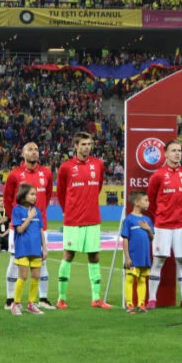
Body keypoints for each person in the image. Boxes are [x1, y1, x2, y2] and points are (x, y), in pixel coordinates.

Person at [56, 132, 112, 309]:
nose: (87, 147)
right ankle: (61, 298)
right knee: (68, 254)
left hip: (93, 217)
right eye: (83, 144)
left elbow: (99, 186)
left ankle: (96, 298)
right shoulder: (66, 167)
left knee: (94, 256)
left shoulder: (98, 165)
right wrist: (69, 211)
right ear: (76, 146)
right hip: (73, 219)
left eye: (89, 144)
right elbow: (61, 193)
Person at [146, 140, 182, 309]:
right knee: (158, 261)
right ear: (165, 153)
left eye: (179, 150)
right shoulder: (158, 176)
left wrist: (180, 213)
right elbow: (151, 200)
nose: (177, 153)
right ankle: (152, 299)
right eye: (173, 150)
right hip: (163, 225)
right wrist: (161, 216)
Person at [3, 143, 54, 310]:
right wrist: (16, 218)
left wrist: (37, 218)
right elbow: (7, 198)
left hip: (39, 224)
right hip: (18, 226)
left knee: (42, 261)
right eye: (30, 149)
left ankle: (43, 299)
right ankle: (11, 299)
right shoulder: (15, 174)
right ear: (23, 153)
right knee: (14, 260)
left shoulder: (46, 173)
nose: (34, 152)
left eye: (36, 149)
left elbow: (46, 197)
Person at [11, 184, 49, 316]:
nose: (34, 197)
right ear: (23, 195)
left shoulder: (37, 210)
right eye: (32, 194)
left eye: (35, 194)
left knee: (36, 276)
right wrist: (29, 217)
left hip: (35, 249)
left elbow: (40, 231)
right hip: (22, 248)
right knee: (23, 276)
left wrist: (44, 248)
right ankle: (16, 304)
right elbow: (20, 229)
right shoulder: (16, 210)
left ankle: (31, 304)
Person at [121, 191, 155, 314]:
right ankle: (129, 305)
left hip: (144, 256)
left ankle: (141, 304)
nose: (148, 202)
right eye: (145, 200)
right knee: (130, 279)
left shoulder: (147, 220)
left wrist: (149, 229)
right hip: (133, 256)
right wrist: (127, 257)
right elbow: (125, 239)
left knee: (142, 280)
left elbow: (152, 238)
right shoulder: (129, 220)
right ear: (137, 202)